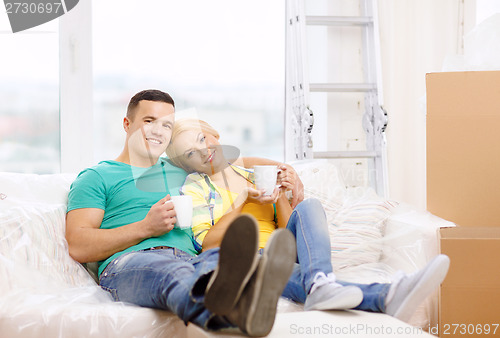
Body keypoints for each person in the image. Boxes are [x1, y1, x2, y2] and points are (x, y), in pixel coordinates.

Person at [65, 89, 302, 337]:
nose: (158, 131)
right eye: (149, 121)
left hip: (195, 259)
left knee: (245, 265)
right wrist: (145, 227)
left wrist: (287, 172)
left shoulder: (183, 169)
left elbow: (231, 161)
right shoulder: (97, 176)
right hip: (133, 262)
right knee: (177, 273)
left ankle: (331, 292)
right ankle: (230, 316)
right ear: (127, 124)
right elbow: (78, 245)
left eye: (167, 125)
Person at [166, 118, 451, 321]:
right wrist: (243, 202)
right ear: (187, 163)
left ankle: (321, 282)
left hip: (287, 249)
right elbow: (207, 244)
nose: (203, 151)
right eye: (191, 152)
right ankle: (377, 294)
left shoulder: (250, 173)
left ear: (214, 134)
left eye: (203, 139)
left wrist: (283, 195)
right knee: (266, 263)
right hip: (250, 258)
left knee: (310, 206)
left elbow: (289, 229)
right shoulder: (197, 187)